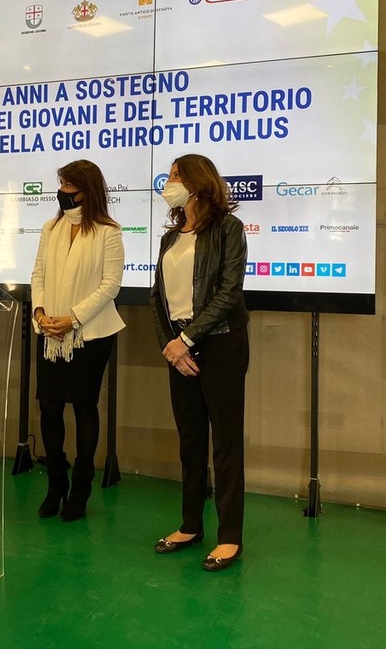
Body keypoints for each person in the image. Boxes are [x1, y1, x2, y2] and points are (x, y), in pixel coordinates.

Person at [150, 153, 249, 571]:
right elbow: (157, 297)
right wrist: (171, 346)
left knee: (225, 443)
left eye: (176, 175)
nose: (168, 182)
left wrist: (187, 339)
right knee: (190, 440)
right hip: (179, 349)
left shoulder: (228, 228)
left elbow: (229, 292)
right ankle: (190, 525)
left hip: (221, 344)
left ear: (196, 182)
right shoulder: (170, 237)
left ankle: (230, 537)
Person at [31, 159, 125, 521]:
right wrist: (41, 314)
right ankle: (56, 483)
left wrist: (73, 319)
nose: (63, 192)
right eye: (62, 185)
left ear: (88, 190)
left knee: (84, 407)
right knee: (49, 406)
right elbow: (38, 275)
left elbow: (110, 285)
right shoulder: (50, 227)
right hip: (50, 331)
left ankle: (81, 489)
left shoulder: (107, 231)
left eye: (70, 186)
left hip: (90, 334)